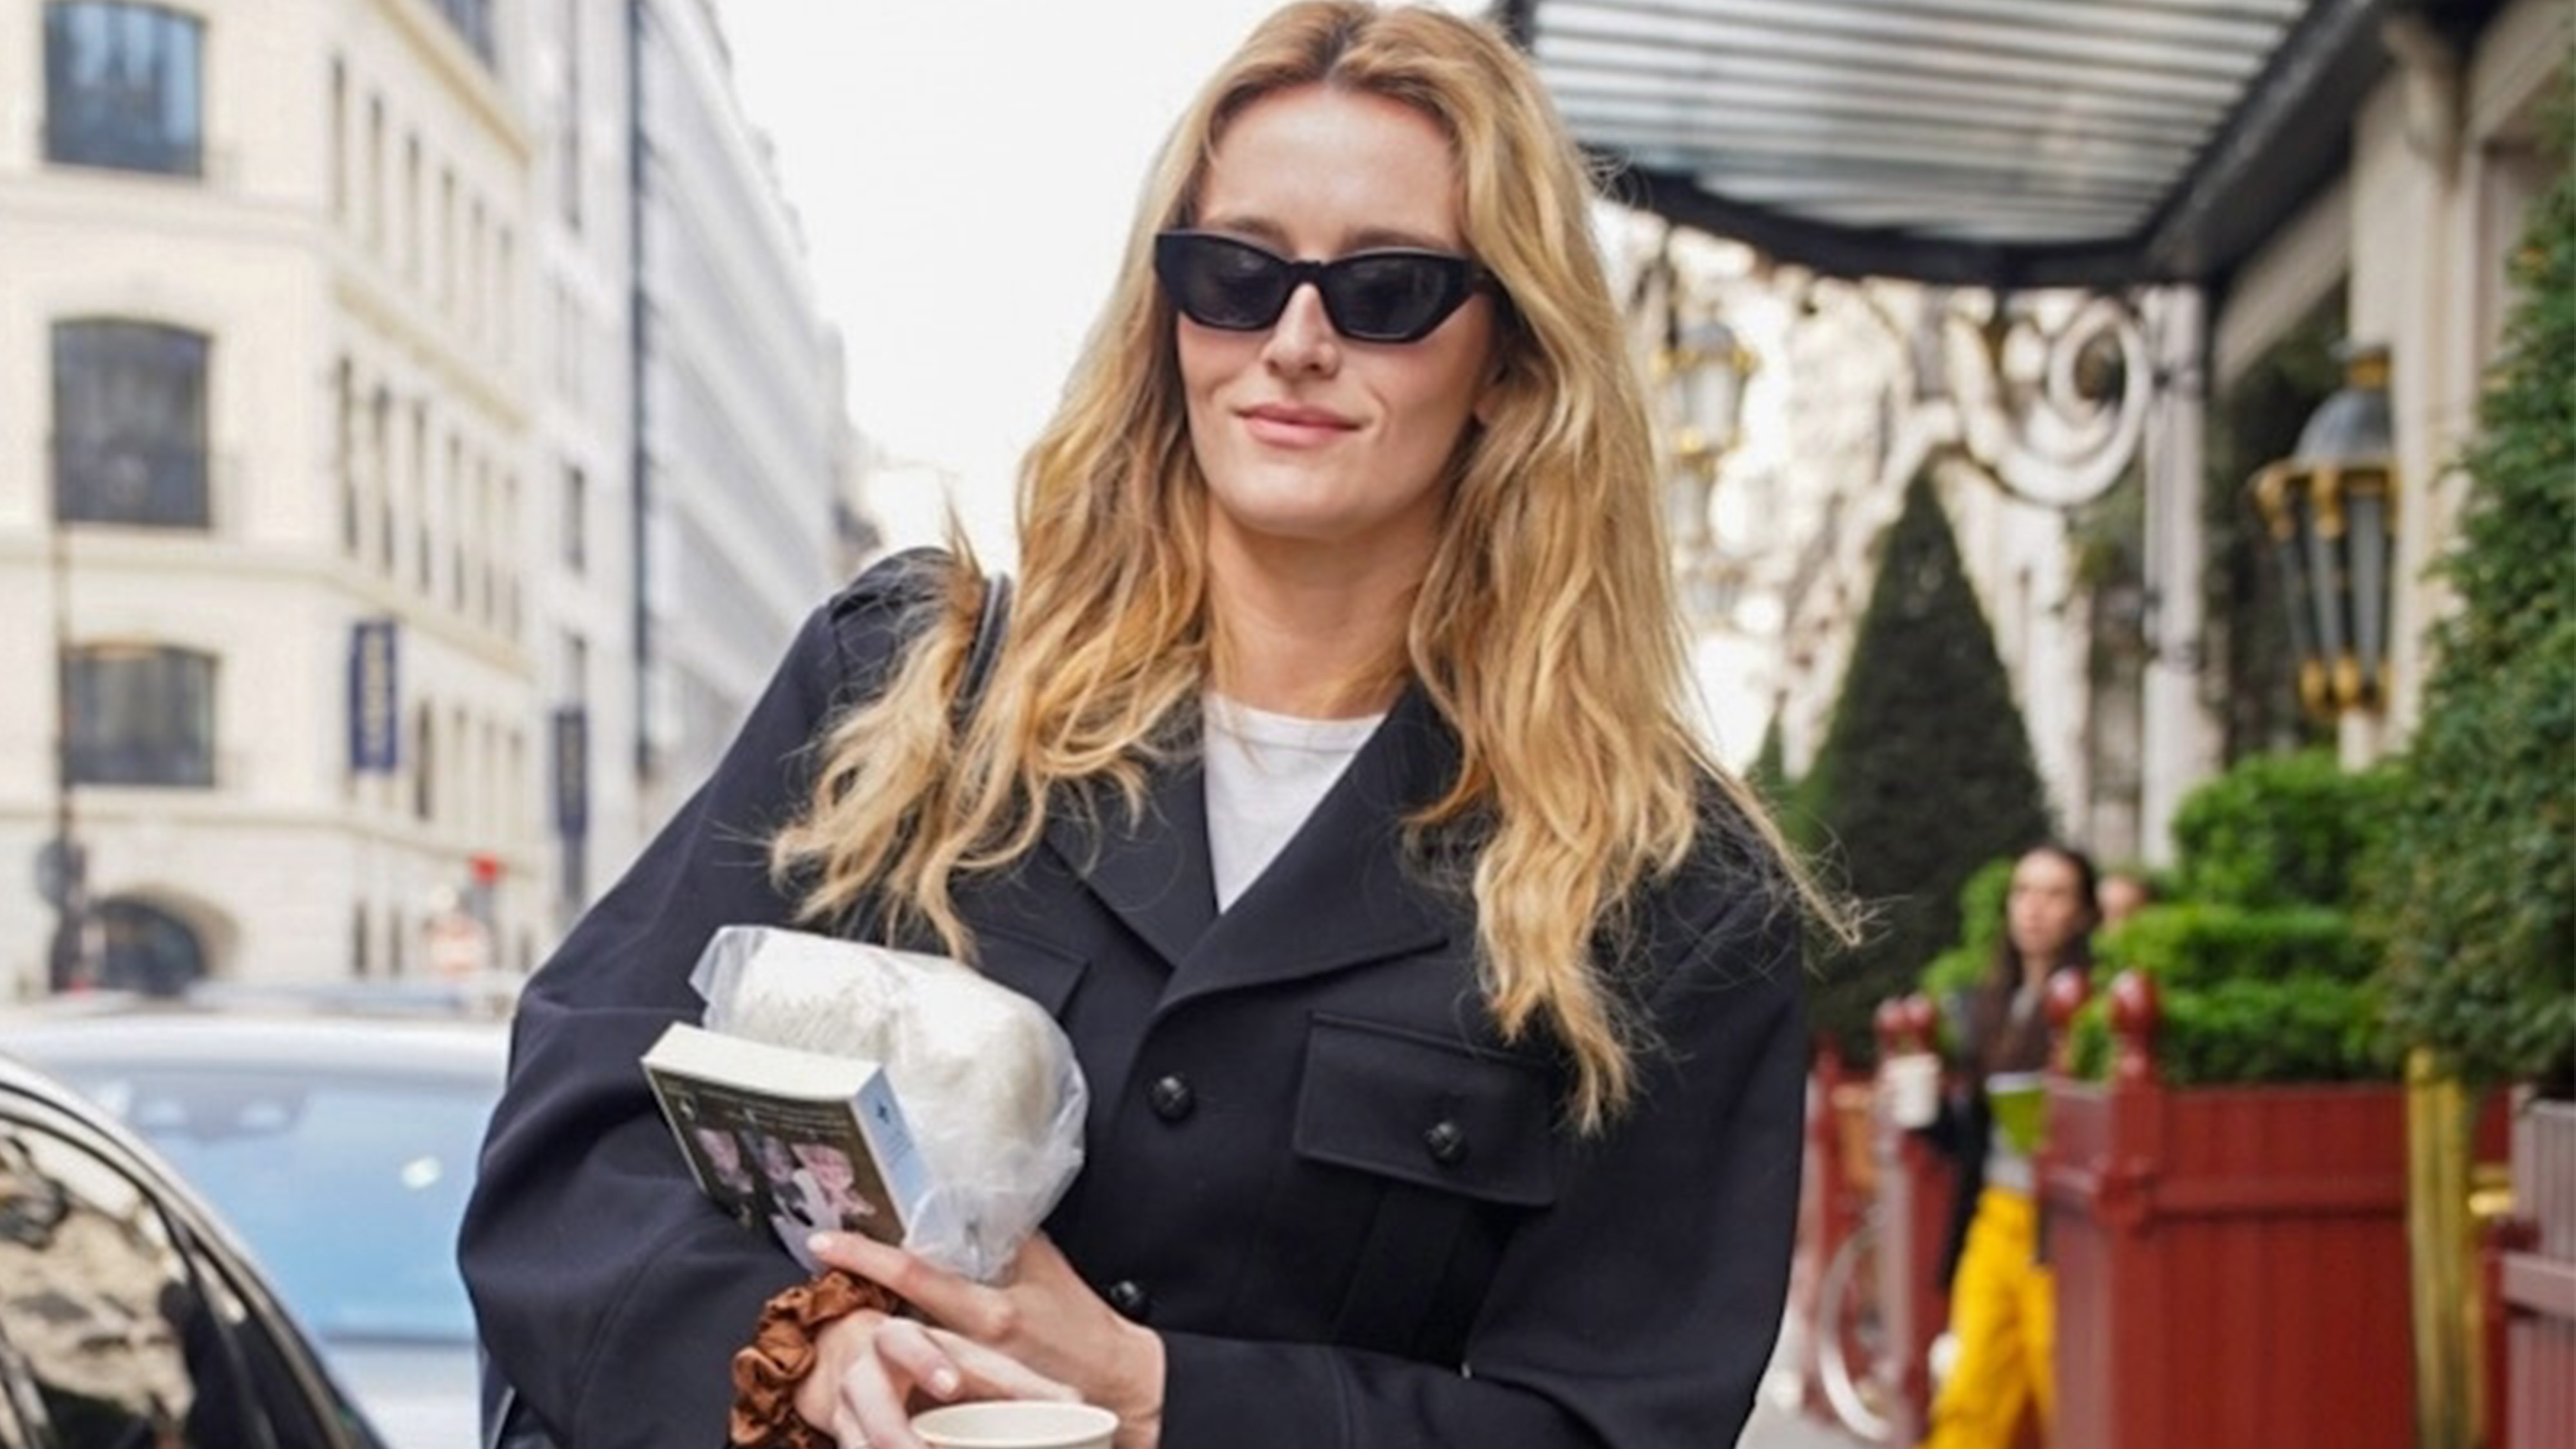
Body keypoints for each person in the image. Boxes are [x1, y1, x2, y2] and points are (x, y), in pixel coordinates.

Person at [459, 5, 1841, 1446]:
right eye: (1234, 274)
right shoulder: (906, 697)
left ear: (1507, 360)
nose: (1295, 341)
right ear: (1165, 307)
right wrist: (794, 1354)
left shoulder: (1669, 889)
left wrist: (1163, 1400)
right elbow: (575, 1137)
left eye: (1384, 290)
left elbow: (1617, 1422)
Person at [1913, 843, 2099, 1449]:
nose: (2035, 909)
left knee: (2064, 1389)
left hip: (2061, 1230)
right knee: (1969, 1395)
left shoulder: (2091, 1004)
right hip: (1996, 1215)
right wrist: (1926, 1114)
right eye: (2024, 892)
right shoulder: (1987, 1002)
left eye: (2054, 894)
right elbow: (1973, 1138)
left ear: (2082, 912)